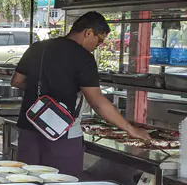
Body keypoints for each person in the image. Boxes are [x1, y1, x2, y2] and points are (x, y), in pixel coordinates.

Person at [11, 11, 149, 176]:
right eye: (99, 41)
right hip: (62, 134)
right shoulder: (84, 58)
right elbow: (97, 102)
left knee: (27, 183)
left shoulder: (38, 48)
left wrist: (42, 93)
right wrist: (130, 128)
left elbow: (17, 81)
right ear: (88, 32)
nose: (98, 45)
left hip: (29, 127)